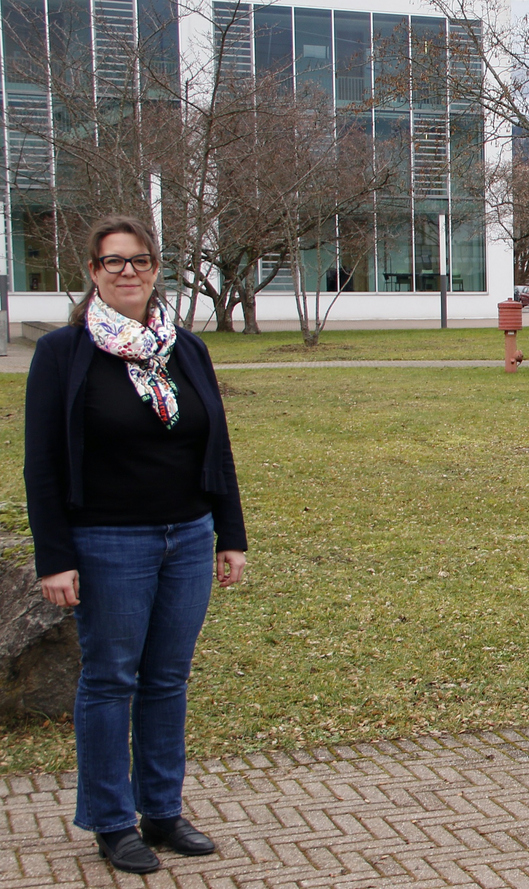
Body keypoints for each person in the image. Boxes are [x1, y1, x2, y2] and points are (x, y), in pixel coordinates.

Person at [24, 216, 247, 873]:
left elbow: (216, 449)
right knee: (111, 676)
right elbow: (42, 464)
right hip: (107, 541)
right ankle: (111, 819)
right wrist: (55, 555)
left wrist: (228, 534)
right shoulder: (63, 354)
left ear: (156, 270)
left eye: (140, 260)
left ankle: (162, 810)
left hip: (187, 537)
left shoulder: (187, 350)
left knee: (167, 677)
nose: (128, 271)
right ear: (92, 272)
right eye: (113, 261)